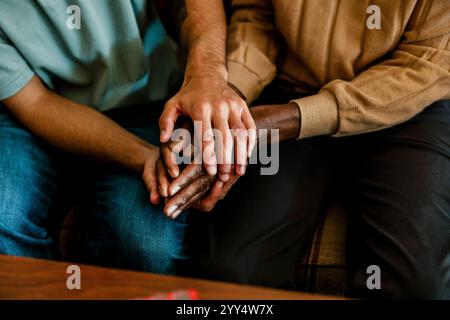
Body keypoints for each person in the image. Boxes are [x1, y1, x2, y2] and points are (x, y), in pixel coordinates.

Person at [160, 0, 450, 299]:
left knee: (416, 285)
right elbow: (258, 19)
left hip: (410, 109)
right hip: (288, 94)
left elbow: (425, 62)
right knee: (231, 274)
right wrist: (226, 101)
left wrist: (288, 120)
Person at [0, 0, 240, 275]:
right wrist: (141, 157)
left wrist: (206, 73)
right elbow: (35, 102)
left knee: (146, 244)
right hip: (32, 112)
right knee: (3, 219)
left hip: (150, 99)